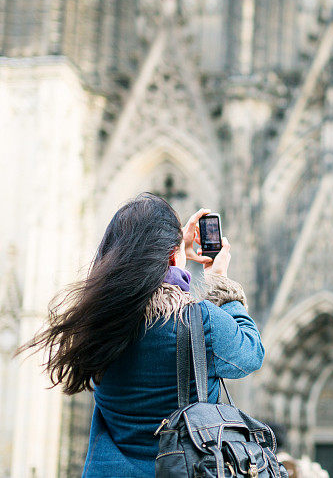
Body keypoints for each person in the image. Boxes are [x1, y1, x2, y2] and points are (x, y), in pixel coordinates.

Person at [17, 194, 265, 477]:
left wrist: (171, 253)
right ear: (172, 255)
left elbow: (133, 283)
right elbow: (252, 353)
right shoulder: (200, 319)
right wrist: (220, 283)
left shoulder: (96, 320)